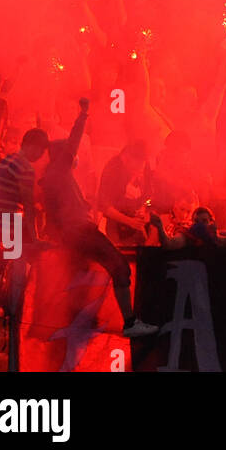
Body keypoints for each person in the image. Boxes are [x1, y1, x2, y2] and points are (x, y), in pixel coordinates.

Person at [39, 99, 159, 338]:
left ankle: (79, 319)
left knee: (79, 272)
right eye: (69, 153)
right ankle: (130, 323)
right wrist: (83, 114)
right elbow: (73, 142)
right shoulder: (59, 171)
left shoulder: (53, 179)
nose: (75, 157)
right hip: (80, 231)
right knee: (120, 267)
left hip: (72, 233)